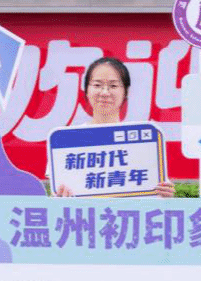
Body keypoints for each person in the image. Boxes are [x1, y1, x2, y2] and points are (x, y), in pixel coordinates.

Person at [54, 57, 175, 197]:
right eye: (97, 85)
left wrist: (165, 196)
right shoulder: (67, 140)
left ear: (126, 92)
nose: (105, 92)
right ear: (86, 90)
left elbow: (153, 193)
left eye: (113, 86)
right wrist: (59, 199)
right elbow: (56, 192)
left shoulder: (145, 143)